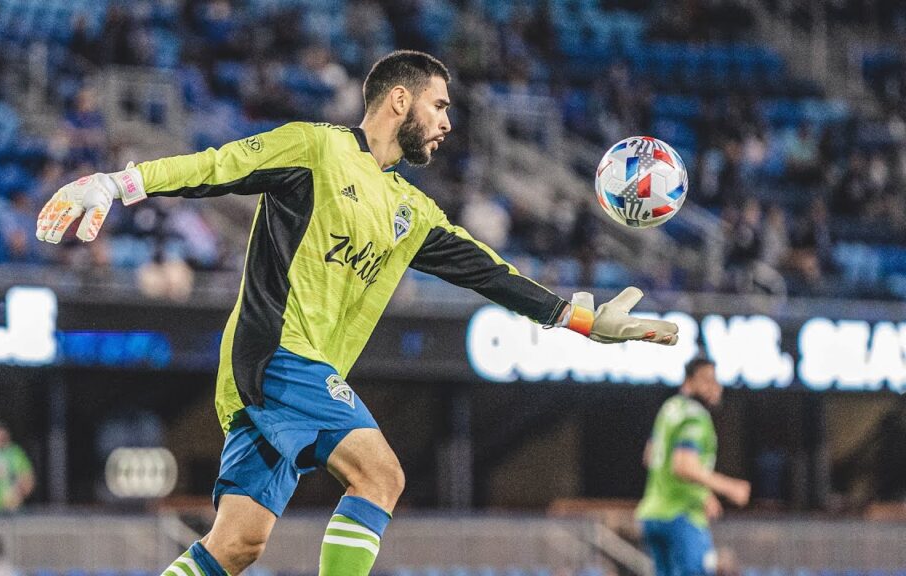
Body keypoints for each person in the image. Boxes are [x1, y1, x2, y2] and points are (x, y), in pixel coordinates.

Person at [35, 50, 680, 576]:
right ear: (400, 101)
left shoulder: (411, 211)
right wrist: (116, 184)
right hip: (279, 354)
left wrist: (581, 319)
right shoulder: (316, 150)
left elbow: (488, 272)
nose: (447, 122)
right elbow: (216, 167)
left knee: (237, 545)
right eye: (439, 105)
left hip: (281, 382)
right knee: (381, 475)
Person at [636, 358, 751, 576]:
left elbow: (650, 456)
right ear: (688, 383)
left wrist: (702, 492)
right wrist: (729, 487)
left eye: (714, 380)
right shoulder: (696, 416)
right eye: (705, 381)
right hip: (681, 515)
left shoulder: (669, 408)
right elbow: (683, 466)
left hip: (653, 513)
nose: (713, 387)